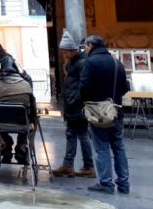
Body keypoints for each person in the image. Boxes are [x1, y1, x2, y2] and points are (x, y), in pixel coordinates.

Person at [80, 35, 130, 195]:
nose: (85, 50)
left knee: (101, 147)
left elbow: (84, 87)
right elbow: (125, 87)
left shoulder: (90, 62)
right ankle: (124, 184)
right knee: (119, 147)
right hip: (116, 110)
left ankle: (106, 183)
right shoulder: (117, 62)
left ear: (90, 46)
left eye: (85, 47)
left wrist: (91, 100)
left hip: (98, 111)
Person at [52, 30, 95, 178]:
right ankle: (68, 165)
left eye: (65, 52)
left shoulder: (81, 62)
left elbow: (84, 85)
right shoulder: (73, 62)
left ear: (72, 50)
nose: (64, 55)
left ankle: (88, 166)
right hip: (72, 105)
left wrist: (74, 100)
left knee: (83, 135)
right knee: (71, 134)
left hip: (78, 105)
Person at [0, 56, 37, 165]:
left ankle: (4, 141)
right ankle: (21, 145)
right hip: (22, 125)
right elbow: (33, 111)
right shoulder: (26, 86)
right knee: (29, 117)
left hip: (0, 124)